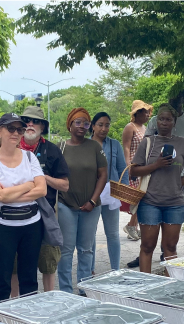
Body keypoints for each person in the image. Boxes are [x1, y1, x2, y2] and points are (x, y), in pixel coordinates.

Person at [128, 89, 184, 268]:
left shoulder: (183, 143)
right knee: (147, 246)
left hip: (174, 203)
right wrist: (156, 165)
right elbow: (133, 172)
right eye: (161, 119)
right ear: (156, 121)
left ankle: (169, 286)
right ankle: (147, 284)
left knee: (170, 247)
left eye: (168, 119)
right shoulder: (148, 142)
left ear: (174, 122)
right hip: (150, 202)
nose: (164, 122)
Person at [0, 113, 46, 314]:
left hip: (31, 224)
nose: (16, 133)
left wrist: (10, 194)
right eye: (11, 128)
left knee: (29, 278)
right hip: (1, 225)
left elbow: (42, 190)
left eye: (20, 129)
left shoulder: (29, 157)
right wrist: (28, 185)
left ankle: (29, 322)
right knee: (1, 279)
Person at [9, 106, 69, 296]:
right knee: (15, 264)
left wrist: (42, 177)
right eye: (26, 120)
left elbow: (65, 185)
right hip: (14, 212)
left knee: (48, 262)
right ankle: (15, 305)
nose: (30, 124)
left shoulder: (52, 150)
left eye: (35, 121)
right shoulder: (10, 148)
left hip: (44, 214)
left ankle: (49, 300)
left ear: (43, 126)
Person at [57, 108, 107, 294]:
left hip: (91, 206)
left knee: (86, 249)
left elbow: (103, 176)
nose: (82, 126)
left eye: (86, 123)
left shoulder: (95, 147)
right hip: (66, 205)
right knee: (66, 250)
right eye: (78, 122)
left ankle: (85, 288)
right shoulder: (60, 147)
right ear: (69, 124)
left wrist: (93, 201)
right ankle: (66, 291)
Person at [91, 112, 128, 271]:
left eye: (107, 125)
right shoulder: (85, 144)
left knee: (112, 234)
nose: (103, 128)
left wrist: (124, 191)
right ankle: (89, 270)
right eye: (100, 124)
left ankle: (115, 270)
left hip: (111, 194)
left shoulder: (114, 145)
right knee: (89, 235)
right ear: (92, 126)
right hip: (91, 195)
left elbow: (122, 169)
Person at [121, 100, 152, 242]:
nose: (147, 114)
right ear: (137, 113)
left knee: (143, 197)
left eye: (147, 111)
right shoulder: (130, 127)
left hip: (144, 166)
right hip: (134, 164)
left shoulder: (144, 128)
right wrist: (128, 165)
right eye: (144, 111)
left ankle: (133, 225)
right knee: (139, 197)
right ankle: (131, 225)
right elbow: (126, 147)